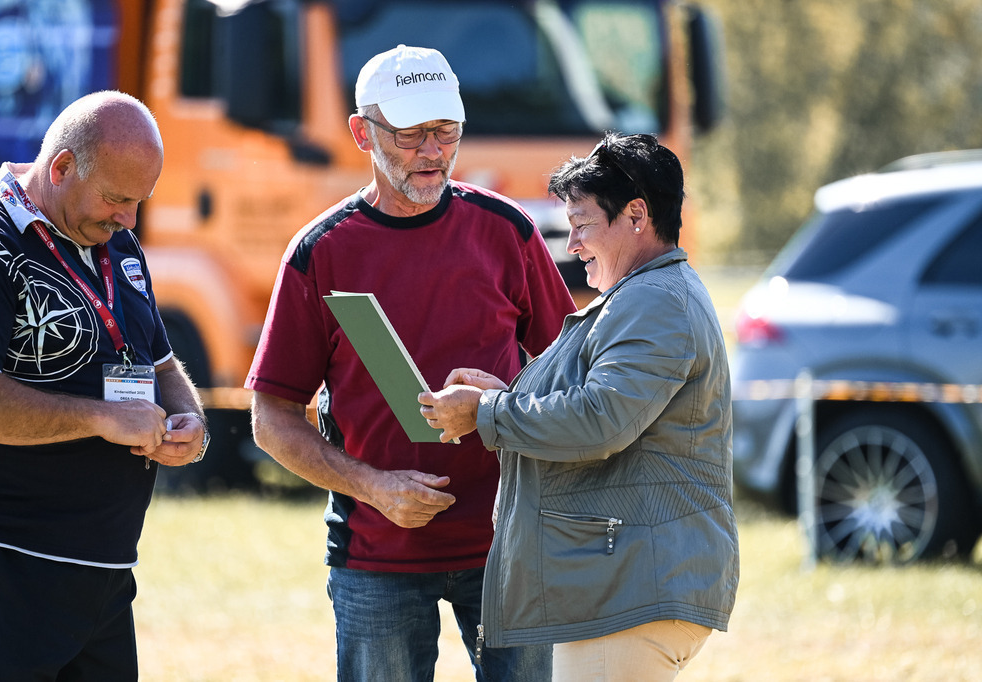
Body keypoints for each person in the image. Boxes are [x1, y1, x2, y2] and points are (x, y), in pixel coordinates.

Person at [246, 45, 575, 681]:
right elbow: (270, 417)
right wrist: (373, 487)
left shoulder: (508, 230)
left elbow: (575, 379)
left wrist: (502, 402)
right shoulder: (320, 253)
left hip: (513, 548)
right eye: (410, 133)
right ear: (361, 133)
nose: (433, 151)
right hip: (376, 557)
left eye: (446, 130)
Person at [419, 132, 740, 681]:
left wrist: (488, 412)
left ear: (636, 215)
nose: (571, 245)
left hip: (629, 594)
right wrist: (505, 396)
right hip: (624, 589)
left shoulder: (654, 301)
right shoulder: (646, 296)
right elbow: (604, 407)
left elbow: (600, 420)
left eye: (582, 224)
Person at [0, 90, 210, 679]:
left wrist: (191, 423)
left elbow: (163, 365)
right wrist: (101, 417)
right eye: (117, 198)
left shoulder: (115, 239)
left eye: (139, 201)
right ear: (63, 168)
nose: (129, 218)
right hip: (7, 571)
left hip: (107, 575)